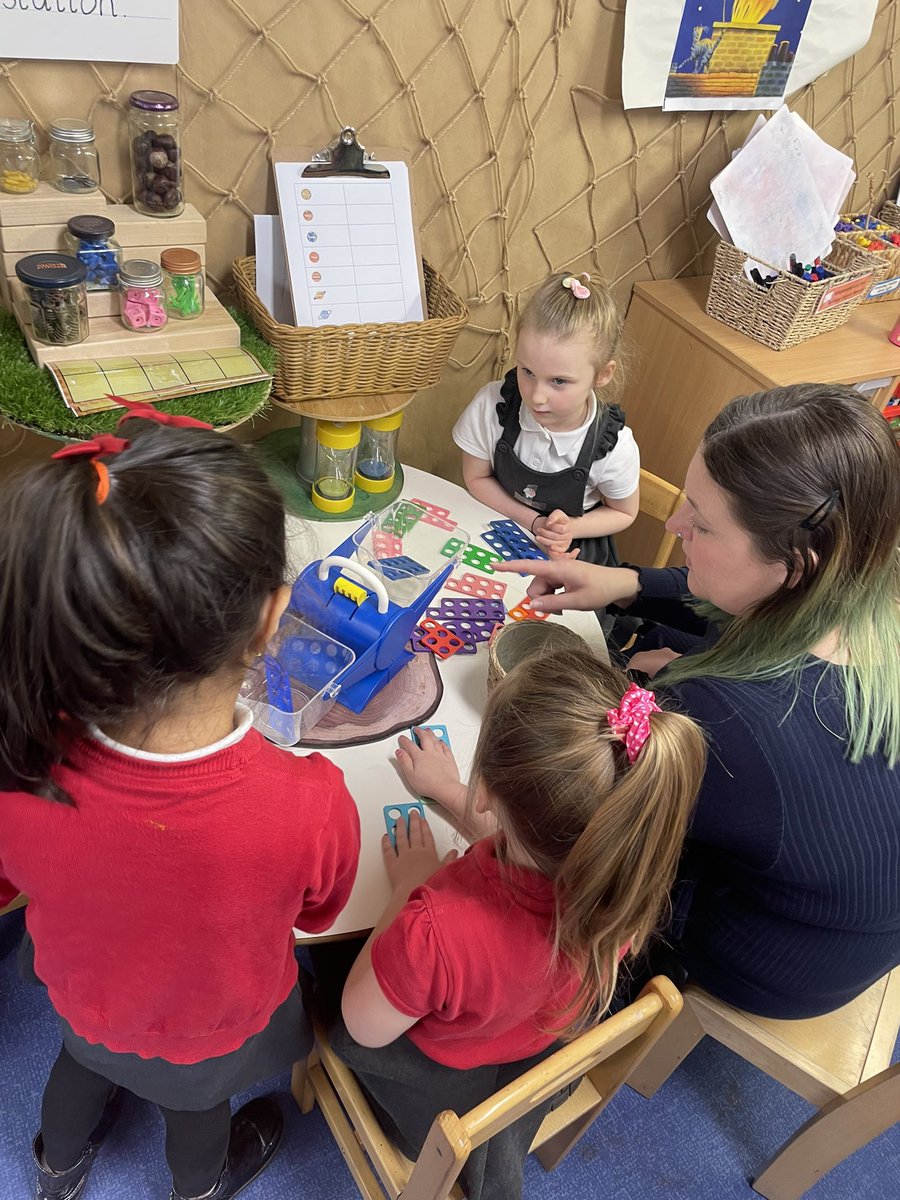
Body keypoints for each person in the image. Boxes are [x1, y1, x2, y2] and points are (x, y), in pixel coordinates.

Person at [0, 407, 361, 1200]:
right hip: (207, 1027)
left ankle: (55, 1170)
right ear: (272, 618)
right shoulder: (309, 802)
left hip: (83, 998)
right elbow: (320, 911)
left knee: (77, 1070)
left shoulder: (22, 758)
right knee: (196, 1113)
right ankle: (199, 1187)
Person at [496, 383, 900, 1020]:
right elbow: (740, 601)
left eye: (703, 525)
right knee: (670, 650)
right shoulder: (865, 577)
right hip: (848, 907)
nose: (673, 524)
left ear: (796, 564)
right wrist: (624, 583)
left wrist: (475, 803)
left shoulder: (722, 718)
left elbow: (588, 835)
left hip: (775, 960)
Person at [330, 650, 705, 1200]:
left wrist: (412, 883)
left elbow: (361, 1026)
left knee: (324, 975)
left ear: (484, 788)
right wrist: (448, 790)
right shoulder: (624, 891)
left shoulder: (432, 935)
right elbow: (534, 846)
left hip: (435, 1100)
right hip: (530, 1047)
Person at [452, 270, 640, 566]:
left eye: (559, 381)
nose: (537, 396)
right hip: (495, 527)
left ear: (602, 374)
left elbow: (624, 512)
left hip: (571, 557)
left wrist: (570, 528)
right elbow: (476, 478)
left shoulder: (615, 447)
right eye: (527, 371)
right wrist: (534, 522)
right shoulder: (492, 405)